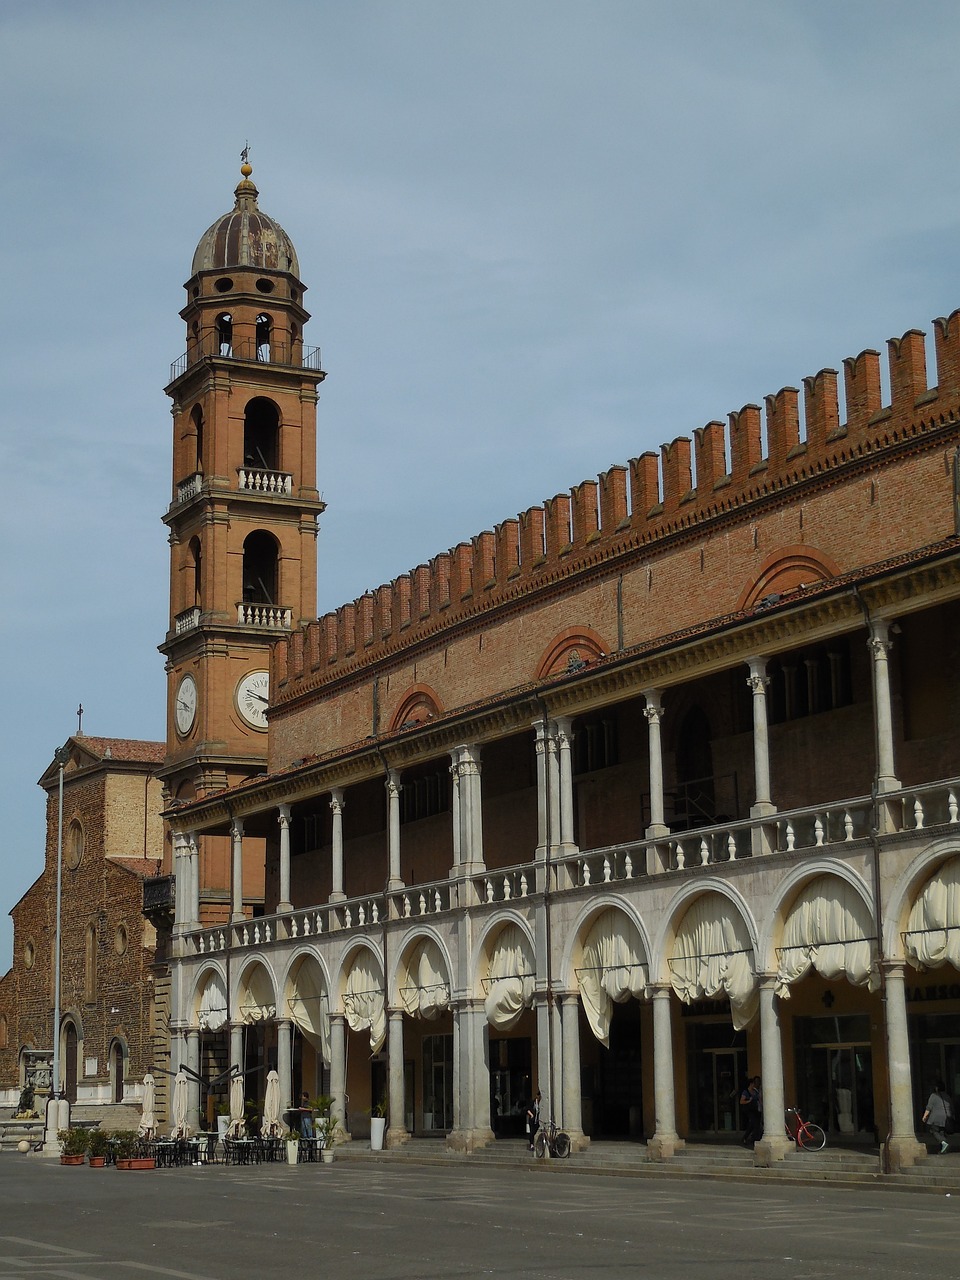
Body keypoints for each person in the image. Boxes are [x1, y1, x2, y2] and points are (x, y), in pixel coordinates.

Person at [922, 1080, 951, 1154]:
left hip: (936, 1117)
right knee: (942, 1132)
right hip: (946, 1117)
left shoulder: (933, 1095)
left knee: (933, 1130)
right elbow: (951, 1107)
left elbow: (929, 1107)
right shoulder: (947, 1096)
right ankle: (943, 1149)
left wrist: (924, 1116)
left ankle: (943, 1142)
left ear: (937, 1088)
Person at [740, 1076, 762, 1146]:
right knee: (754, 1123)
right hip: (749, 1110)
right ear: (750, 1084)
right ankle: (753, 1138)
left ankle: (747, 1137)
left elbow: (759, 1099)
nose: (754, 1085)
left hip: (755, 1110)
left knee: (753, 1124)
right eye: (753, 1083)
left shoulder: (755, 1091)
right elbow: (741, 1101)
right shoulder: (746, 1092)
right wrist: (749, 1101)